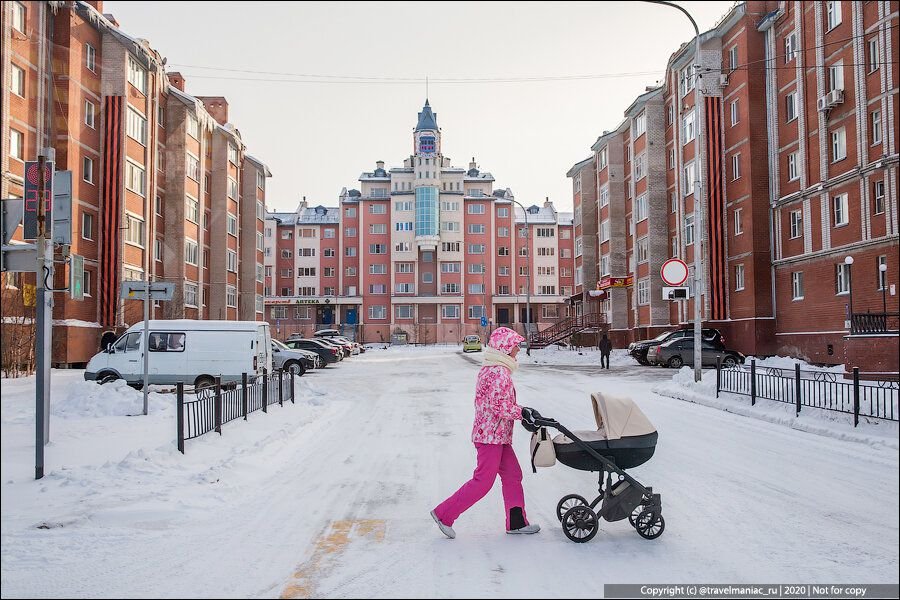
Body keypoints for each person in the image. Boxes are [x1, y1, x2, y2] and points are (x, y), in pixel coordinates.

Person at [431, 327, 540, 539]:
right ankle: (444, 514)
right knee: (483, 481)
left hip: (497, 436)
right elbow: (499, 405)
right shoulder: (498, 372)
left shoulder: (496, 369)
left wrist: (521, 413)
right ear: (505, 348)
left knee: (512, 474)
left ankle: (516, 522)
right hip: (490, 437)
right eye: (515, 345)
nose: (518, 349)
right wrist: (523, 412)